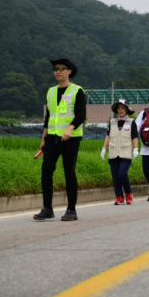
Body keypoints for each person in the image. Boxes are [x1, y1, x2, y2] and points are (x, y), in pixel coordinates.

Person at [34, 59, 86, 221]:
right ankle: (47, 208)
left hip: (71, 138)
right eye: (55, 69)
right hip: (52, 138)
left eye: (61, 68)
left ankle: (71, 210)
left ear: (69, 71)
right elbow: (49, 116)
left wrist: (70, 128)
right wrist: (44, 138)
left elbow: (80, 114)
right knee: (46, 170)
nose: (57, 71)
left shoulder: (77, 90)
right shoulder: (50, 92)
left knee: (69, 172)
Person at [101, 99, 139, 205]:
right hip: (113, 152)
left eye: (123, 108)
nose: (120, 110)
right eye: (119, 108)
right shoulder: (112, 122)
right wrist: (104, 148)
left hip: (126, 152)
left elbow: (134, 137)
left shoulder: (131, 122)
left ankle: (128, 193)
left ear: (127, 109)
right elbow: (108, 135)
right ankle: (119, 197)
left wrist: (135, 149)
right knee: (115, 176)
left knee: (122, 174)